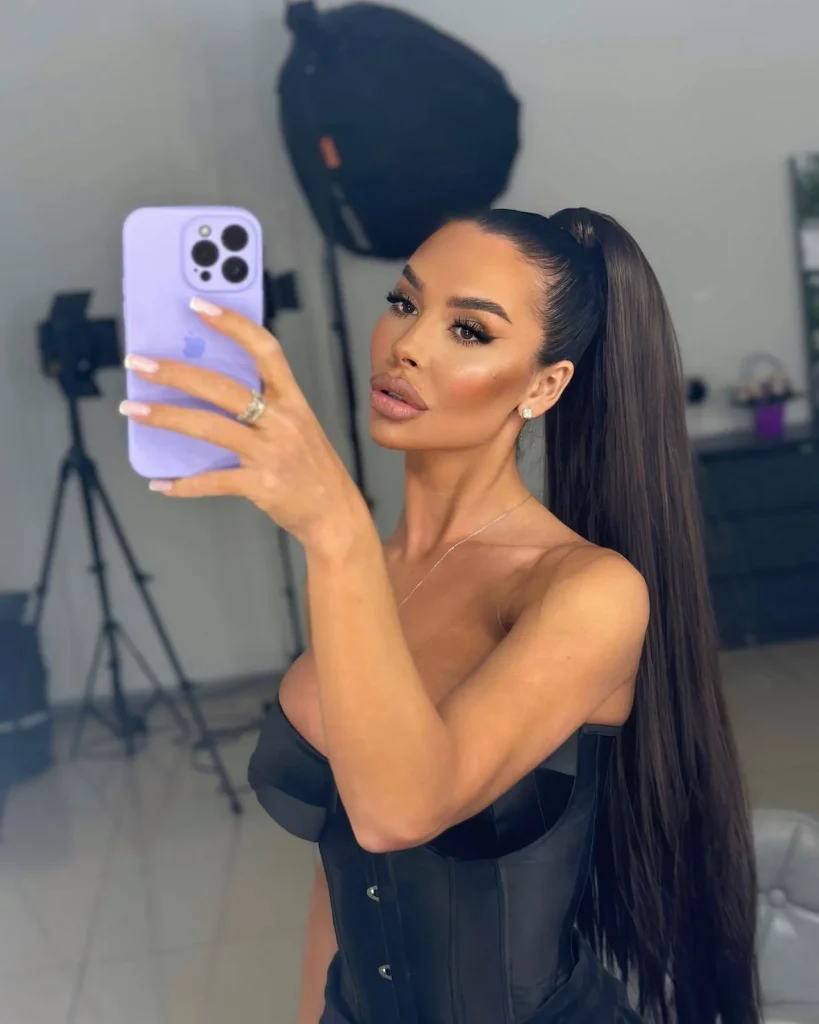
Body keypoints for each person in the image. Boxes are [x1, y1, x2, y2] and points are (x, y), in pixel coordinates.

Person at [121, 208, 760, 1022]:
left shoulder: (587, 590)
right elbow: (337, 868)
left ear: (542, 386)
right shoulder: (369, 571)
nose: (407, 345)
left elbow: (399, 812)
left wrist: (335, 530)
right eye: (403, 303)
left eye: (467, 329)